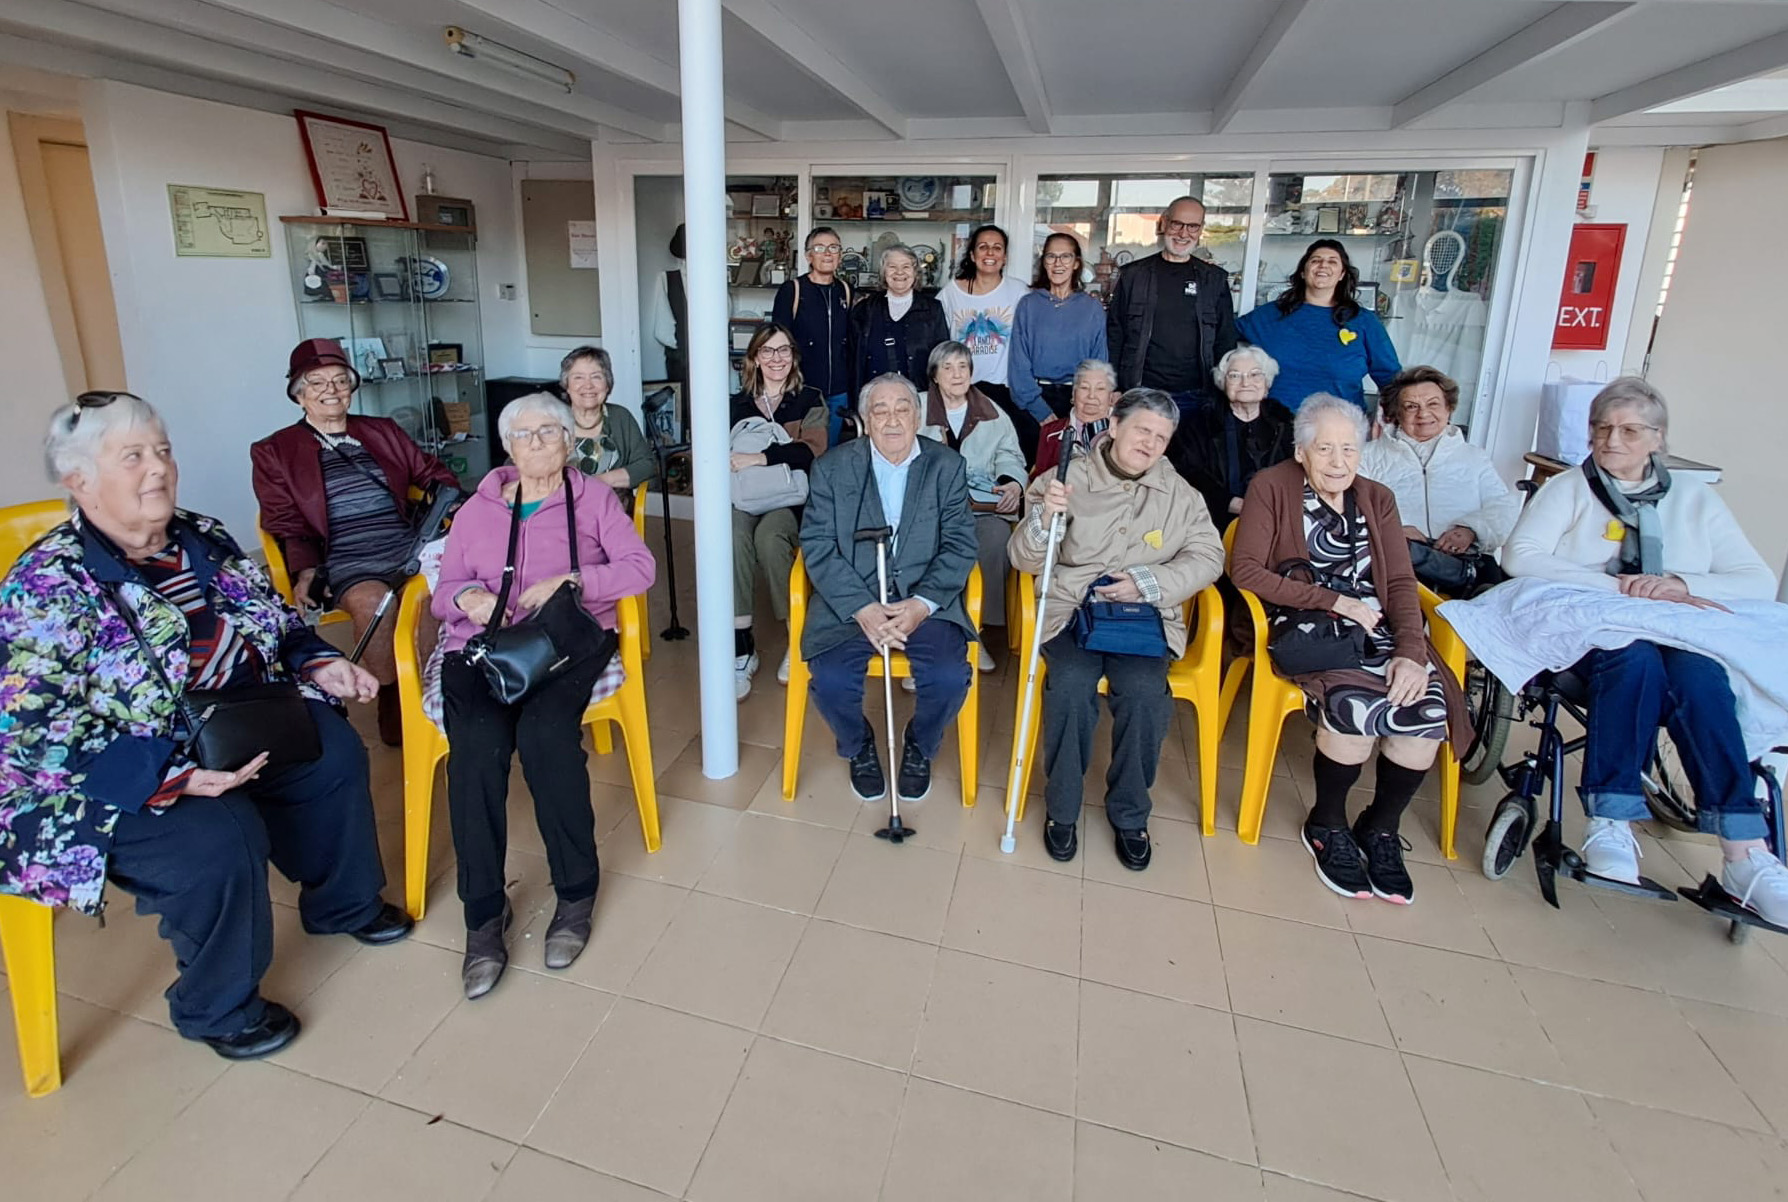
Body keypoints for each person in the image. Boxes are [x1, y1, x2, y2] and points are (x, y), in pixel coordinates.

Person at [0, 391, 412, 1061]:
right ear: (78, 480)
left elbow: (274, 620)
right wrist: (171, 776)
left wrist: (318, 660)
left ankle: (342, 903)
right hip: (115, 766)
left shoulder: (201, 534)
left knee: (331, 752)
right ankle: (217, 1006)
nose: (157, 468)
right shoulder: (47, 584)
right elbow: (29, 733)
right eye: (131, 456)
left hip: (233, 716)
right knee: (219, 837)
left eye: (161, 450)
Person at [1501, 377, 1785, 916]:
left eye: (1630, 430)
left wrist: (1679, 585)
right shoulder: (1569, 489)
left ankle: (1744, 850)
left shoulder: (1696, 501)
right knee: (1632, 662)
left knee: (1703, 678)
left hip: (1679, 627)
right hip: (1595, 627)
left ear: (1658, 439)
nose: (1612, 440)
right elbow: (1522, 555)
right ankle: (1611, 820)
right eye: (1602, 428)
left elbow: (1754, 578)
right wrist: (1617, 588)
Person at [432, 392, 656, 998]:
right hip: (481, 646)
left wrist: (577, 579)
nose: (537, 443)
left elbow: (641, 568)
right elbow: (443, 588)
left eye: (549, 431)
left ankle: (576, 892)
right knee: (476, 750)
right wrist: (466, 601)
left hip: (565, 641)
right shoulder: (477, 510)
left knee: (546, 739)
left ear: (567, 440)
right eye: (524, 434)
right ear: (507, 446)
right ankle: (482, 915)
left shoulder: (594, 498)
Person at [1229, 394, 1471, 905]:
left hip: (1379, 631)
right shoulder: (1271, 488)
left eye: (1349, 450)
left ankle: (1380, 829)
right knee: (1356, 708)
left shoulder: (1377, 498)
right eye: (1325, 449)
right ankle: (1328, 824)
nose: (1338, 462)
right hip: (1309, 628)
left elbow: (1402, 583)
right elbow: (1246, 570)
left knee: (1424, 706)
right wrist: (1335, 600)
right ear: (1301, 452)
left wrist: (1411, 649)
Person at [1009, 388, 1224, 870]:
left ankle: (1129, 812)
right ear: (1114, 427)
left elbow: (1210, 556)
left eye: (1161, 437)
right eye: (1142, 430)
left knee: (1146, 693)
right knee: (1068, 685)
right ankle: (1062, 810)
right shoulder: (1064, 480)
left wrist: (1148, 582)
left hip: (1141, 620)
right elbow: (1021, 558)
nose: (1149, 444)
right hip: (1070, 611)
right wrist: (1047, 517)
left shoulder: (1180, 495)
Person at [251, 338, 459, 745]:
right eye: (317, 382)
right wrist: (306, 569)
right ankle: (393, 696)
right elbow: (284, 519)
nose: (331, 390)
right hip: (344, 553)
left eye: (339, 380)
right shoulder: (275, 450)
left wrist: (447, 507)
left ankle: (433, 685)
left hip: (405, 541)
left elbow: (434, 474)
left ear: (351, 387)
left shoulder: (380, 431)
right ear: (299, 395)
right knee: (372, 602)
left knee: (430, 594)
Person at [801, 374, 977, 803]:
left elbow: (960, 544)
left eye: (903, 409)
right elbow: (818, 545)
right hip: (854, 601)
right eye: (880, 410)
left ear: (918, 416)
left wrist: (921, 604)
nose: (893, 420)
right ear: (864, 420)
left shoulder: (946, 466)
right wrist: (862, 606)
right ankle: (858, 744)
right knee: (831, 680)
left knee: (950, 677)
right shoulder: (832, 468)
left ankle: (920, 743)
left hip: (923, 602)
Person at [730, 323, 829, 698]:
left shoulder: (809, 399)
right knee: (735, 536)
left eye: (784, 350)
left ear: (794, 356)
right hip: (742, 495)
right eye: (768, 351)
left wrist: (759, 457)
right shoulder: (735, 404)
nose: (777, 359)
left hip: (788, 496)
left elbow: (811, 450)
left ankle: (796, 635)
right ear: (754, 357)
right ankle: (741, 646)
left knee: (771, 539)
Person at [1360, 365, 1519, 594]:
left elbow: (1503, 508)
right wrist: (1394, 530)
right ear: (1396, 413)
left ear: (1448, 408)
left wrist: (1470, 529)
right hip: (1400, 563)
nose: (1423, 414)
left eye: (1433, 404)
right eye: (1411, 407)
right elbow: (1351, 509)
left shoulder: (1473, 457)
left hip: (1464, 559)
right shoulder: (1368, 457)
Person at [919, 340, 1025, 665]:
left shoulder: (992, 412)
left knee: (995, 540)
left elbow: (1010, 455)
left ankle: (973, 632)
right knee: (919, 545)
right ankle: (925, 640)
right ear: (934, 375)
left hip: (978, 507)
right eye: (947, 367)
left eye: (962, 367)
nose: (956, 374)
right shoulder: (914, 407)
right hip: (925, 508)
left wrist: (1012, 485)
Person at [1105, 196, 1238, 414]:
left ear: (1201, 229)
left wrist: (1224, 391)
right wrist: (1115, 385)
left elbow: (1225, 340)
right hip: (1141, 392)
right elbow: (1115, 334)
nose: (1184, 234)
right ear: (1164, 223)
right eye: (1177, 224)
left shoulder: (1213, 280)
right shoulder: (1133, 275)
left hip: (1198, 396)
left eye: (1193, 226)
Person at [1237, 239, 1400, 412]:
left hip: (1339, 429)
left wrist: (1388, 419)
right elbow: (1221, 336)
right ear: (1302, 271)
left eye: (1332, 261)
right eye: (1315, 260)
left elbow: (1390, 379)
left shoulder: (1364, 321)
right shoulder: (1270, 315)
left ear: (1342, 274)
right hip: (1275, 427)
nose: (1323, 265)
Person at [1167, 345, 1295, 532]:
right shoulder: (1198, 425)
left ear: (1266, 384)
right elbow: (1189, 476)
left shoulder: (1286, 424)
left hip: (1279, 519)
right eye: (1235, 375)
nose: (1245, 383)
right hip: (1216, 523)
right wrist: (1232, 503)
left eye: (1255, 375)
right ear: (1223, 383)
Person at [938, 224, 1034, 458]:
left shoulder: (1019, 291)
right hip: (963, 392)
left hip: (1007, 392)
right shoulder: (951, 293)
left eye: (996, 248)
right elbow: (938, 344)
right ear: (972, 255)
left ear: (1005, 257)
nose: (990, 253)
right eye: (983, 247)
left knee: (1011, 453)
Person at [1011, 232, 1108, 430]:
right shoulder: (1028, 305)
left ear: (1076, 263)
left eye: (1065, 256)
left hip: (1079, 401)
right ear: (1044, 262)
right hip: (1035, 402)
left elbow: (1099, 365)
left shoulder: (1092, 308)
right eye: (1051, 256)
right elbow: (1018, 364)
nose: (1058, 263)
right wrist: (1040, 410)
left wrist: (1086, 404)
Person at [772, 227, 853, 445]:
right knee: (804, 449)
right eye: (820, 248)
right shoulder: (793, 289)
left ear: (840, 255)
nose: (827, 253)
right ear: (809, 255)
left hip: (838, 389)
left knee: (833, 450)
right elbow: (777, 342)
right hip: (802, 388)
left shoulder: (845, 290)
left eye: (833, 248)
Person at [847, 243, 948, 397]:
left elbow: (942, 358)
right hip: (873, 399)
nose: (899, 272)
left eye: (906, 266)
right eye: (892, 266)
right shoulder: (865, 309)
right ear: (883, 272)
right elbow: (853, 360)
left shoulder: (933, 309)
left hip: (919, 398)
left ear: (915, 272)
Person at [560, 345, 657, 506]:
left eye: (596, 377)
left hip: (613, 511)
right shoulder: (552, 421)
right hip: (563, 511)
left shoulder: (620, 417)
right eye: (578, 377)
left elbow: (647, 465)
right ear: (567, 386)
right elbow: (519, 464)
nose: (588, 385)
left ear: (607, 384)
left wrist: (598, 482)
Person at [1033, 359, 1117, 480]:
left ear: (1110, 398)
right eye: (1084, 387)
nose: (1091, 395)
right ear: (1073, 394)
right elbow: (1040, 479)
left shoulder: (1122, 433)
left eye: (1100, 389)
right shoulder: (1050, 432)